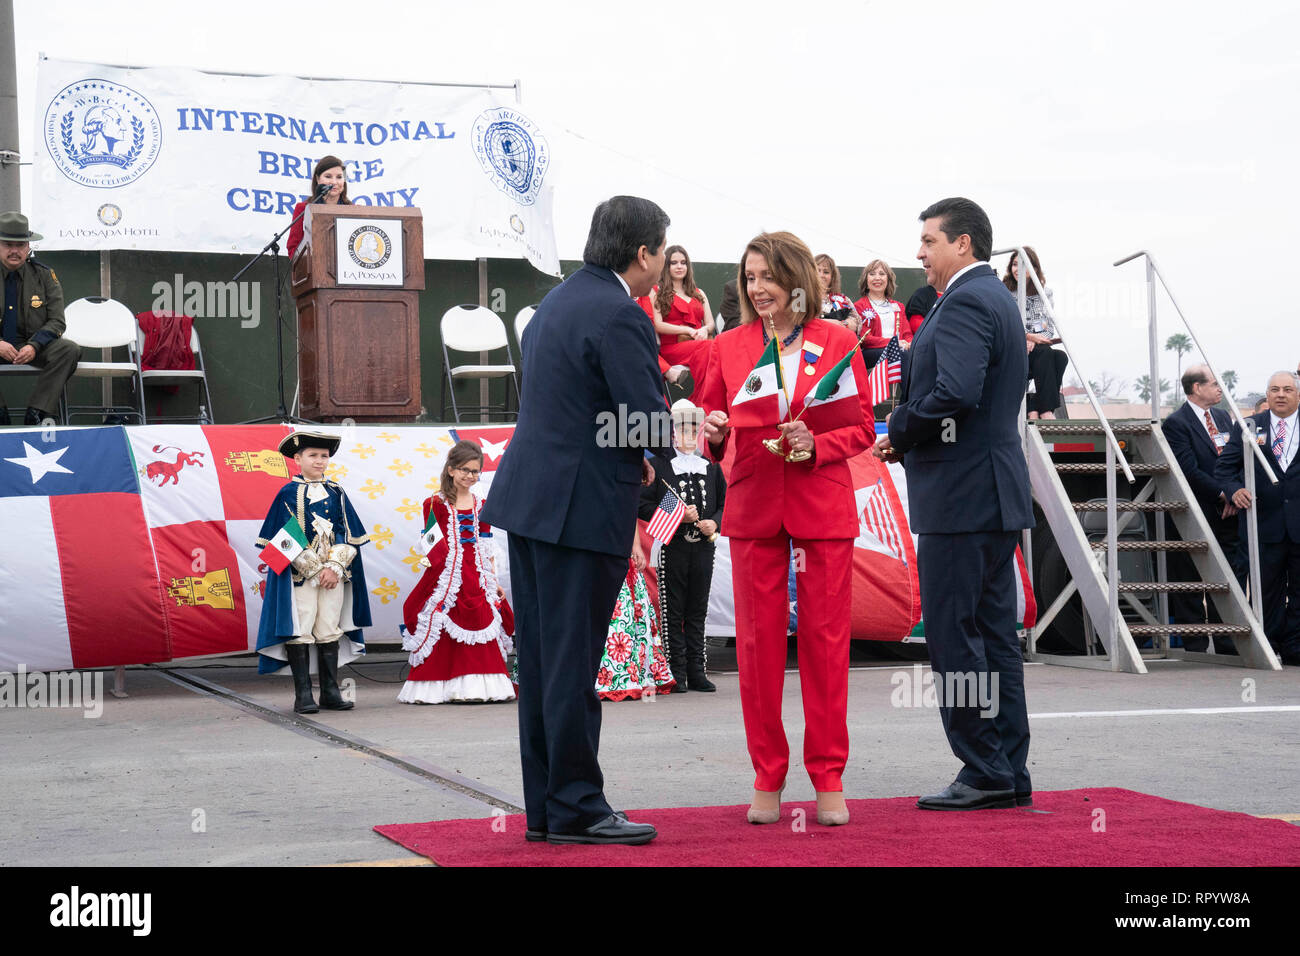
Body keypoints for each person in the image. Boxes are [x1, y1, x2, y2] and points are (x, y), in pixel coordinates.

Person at [481, 195, 672, 846]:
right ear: (643, 253)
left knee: (540, 663)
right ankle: (579, 807)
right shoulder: (621, 314)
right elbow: (643, 417)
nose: (660, 271)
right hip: (579, 508)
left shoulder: (554, 304)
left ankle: (548, 809)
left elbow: (575, 408)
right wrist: (674, 444)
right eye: (660, 255)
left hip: (531, 500)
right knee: (569, 664)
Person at [697, 230, 874, 827]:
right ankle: (767, 774)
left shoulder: (839, 341)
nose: (758, 288)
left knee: (826, 645)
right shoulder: (727, 346)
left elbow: (862, 431)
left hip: (821, 505)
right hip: (752, 504)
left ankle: (828, 776)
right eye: (750, 278)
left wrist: (815, 445)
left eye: (768, 276)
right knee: (755, 648)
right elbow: (704, 429)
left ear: (798, 280)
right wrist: (714, 430)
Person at [874, 197, 1034, 811]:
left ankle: (983, 769)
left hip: (962, 499)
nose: (919, 252)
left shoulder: (966, 299)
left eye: (928, 241)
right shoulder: (995, 299)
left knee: (954, 638)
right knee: (994, 638)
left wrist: (901, 428)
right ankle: (1006, 769)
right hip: (989, 494)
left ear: (962, 244)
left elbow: (956, 392)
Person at [255, 430, 372, 713]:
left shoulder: (337, 492)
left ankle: (330, 691)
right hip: (301, 576)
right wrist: (315, 569)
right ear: (297, 459)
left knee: (329, 627)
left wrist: (333, 567)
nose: (320, 461)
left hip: (334, 575)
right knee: (301, 627)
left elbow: (349, 533)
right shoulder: (286, 493)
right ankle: (303, 694)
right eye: (313, 455)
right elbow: (283, 537)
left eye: (324, 456)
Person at [399, 440, 516, 703]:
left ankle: (479, 686)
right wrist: (438, 574)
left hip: (476, 574)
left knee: (482, 617)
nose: (470, 476)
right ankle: (439, 686)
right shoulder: (434, 503)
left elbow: (486, 545)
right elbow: (430, 542)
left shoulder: (481, 503)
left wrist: (492, 579)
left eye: (475, 471)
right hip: (447, 574)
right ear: (451, 470)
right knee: (441, 618)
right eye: (465, 470)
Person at [640, 399, 725, 693]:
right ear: (673, 432)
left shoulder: (711, 467)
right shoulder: (661, 465)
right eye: (681, 428)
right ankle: (676, 671)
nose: (687, 434)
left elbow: (724, 504)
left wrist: (715, 522)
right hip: (673, 547)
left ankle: (696, 670)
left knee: (697, 610)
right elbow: (642, 504)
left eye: (692, 428)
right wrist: (676, 514)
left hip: (703, 547)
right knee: (673, 611)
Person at [1216, 371, 1300, 666]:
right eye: (1274, 389)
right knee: (1267, 593)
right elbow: (1224, 469)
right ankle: (1268, 646)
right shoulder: (1250, 427)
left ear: (1297, 394)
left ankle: (1295, 648)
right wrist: (1235, 489)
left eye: (1287, 389)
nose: (1280, 394)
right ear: (1267, 394)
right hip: (1264, 526)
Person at [1163, 365, 1248, 651]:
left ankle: (1227, 644)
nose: (1219, 389)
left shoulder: (1224, 418)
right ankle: (1196, 646)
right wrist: (1223, 494)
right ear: (1196, 388)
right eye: (1213, 384)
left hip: (1227, 512)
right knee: (1189, 578)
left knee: (1225, 578)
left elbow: (1234, 459)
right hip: (1195, 512)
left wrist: (1234, 492)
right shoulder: (1177, 423)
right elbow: (1189, 469)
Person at [0, 212, 80, 426]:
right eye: (8, 245)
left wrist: (35, 345)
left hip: (33, 346)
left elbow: (57, 321)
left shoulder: (44, 275)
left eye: (20, 245)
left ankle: (37, 411)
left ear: (28, 248)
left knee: (69, 349)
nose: (14, 251)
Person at [595, 531, 677, 700]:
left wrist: (636, 546)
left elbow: (629, 511)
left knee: (622, 620)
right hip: (588, 550)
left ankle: (620, 676)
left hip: (616, 551)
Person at [1003, 246, 1068, 419]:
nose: (1017, 269)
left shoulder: (1044, 293)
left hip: (1036, 350)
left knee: (1060, 358)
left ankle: (1034, 406)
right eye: (1015, 264)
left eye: (1023, 265)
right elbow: (1005, 325)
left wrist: (1035, 340)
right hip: (1013, 350)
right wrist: (1026, 337)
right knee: (1045, 353)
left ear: (1034, 269)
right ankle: (1046, 411)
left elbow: (1047, 327)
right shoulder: (1004, 292)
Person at [642, 245, 714, 393]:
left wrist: (704, 329)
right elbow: (658, 325)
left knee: (718, 348)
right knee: (708, 348)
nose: (679, 266)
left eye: (683, 262)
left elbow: (711, 323)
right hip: (671, 348)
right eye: (673, 263)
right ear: (666, 265)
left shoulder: (699, 293)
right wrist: (687, 329)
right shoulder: (656, 291)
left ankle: (708, 398)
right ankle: (703, 400)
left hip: (699, 343)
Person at [286, 156, 351, 260]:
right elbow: (293, 249)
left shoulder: (353, 210)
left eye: (339, 177)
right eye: (328, 176)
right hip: (313, 271)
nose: (334, 182)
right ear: (317, 179)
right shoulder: (303, 208)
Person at [855, 258, 913, 367]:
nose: (877, 278)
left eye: (882, 274)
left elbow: (907, 334)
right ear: (866, 280)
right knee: (902, 355)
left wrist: (909, 344)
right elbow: (865, 339)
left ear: (888, 280)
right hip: (872, 352)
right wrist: (893, 344)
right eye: (872, 274)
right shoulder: (859, 306)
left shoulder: (898, 306)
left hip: (899, 350)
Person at [814, 253, 863, 334]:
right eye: (817, 271)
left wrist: (843, 324)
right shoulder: (800, 298)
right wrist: (828, 323)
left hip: (836, 343)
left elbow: (857, 324)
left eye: (826, 272)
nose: (821, 275)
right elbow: (797, 323)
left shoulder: (844, 300)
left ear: (832, 277)